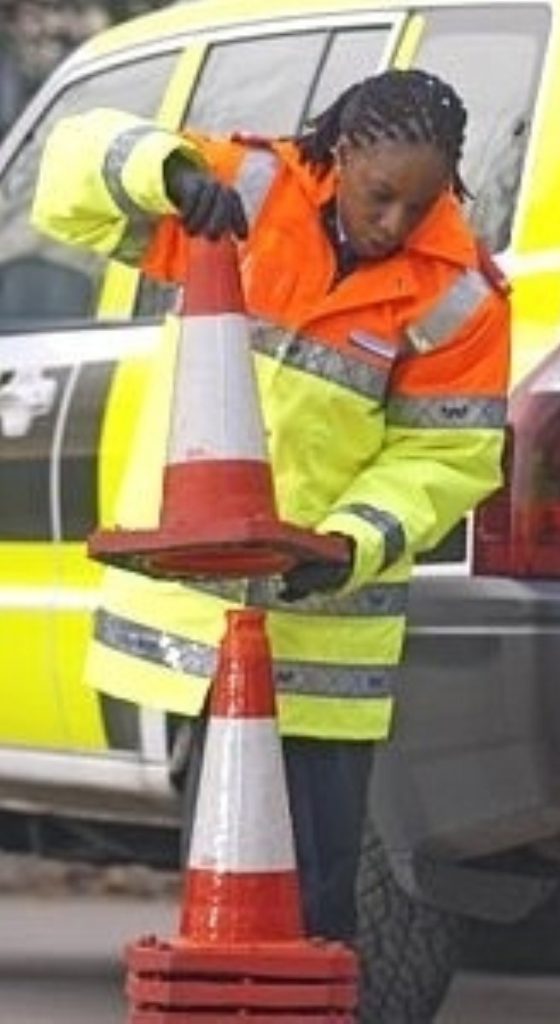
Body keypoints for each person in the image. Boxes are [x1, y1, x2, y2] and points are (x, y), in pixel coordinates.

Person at [31, 69, 510, 949]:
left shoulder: (458, 294)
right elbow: (66, 174)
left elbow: (448, 453)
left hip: (326, 628)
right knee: (225, 874)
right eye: (380, 197)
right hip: (203, 610)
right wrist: (166, 177)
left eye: (422, 202)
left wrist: (350, 543)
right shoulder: (248, 191)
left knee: (318, 897)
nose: (395, 224)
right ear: (342, 154)